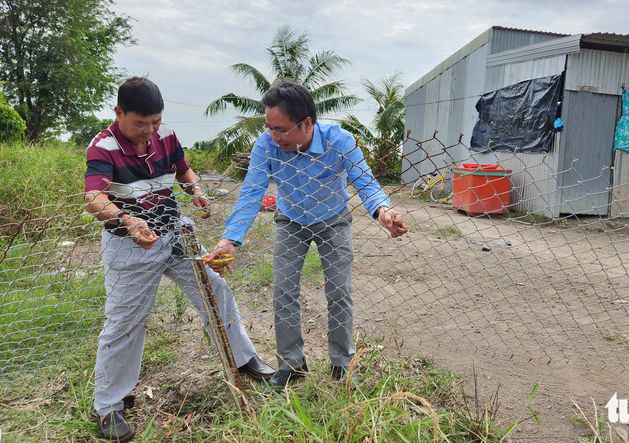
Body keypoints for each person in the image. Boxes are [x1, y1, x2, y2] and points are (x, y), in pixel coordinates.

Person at [84, 77, 274, 442]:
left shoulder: (165, 134)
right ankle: (110, 406)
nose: (149, 131)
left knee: (217, 293)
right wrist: (127, 220)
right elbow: (95, 198)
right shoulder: (103, 147)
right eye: (140, 123)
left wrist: (196, 191)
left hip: (175, 234)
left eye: (155, 121)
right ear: (118, 112)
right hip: (131, 245)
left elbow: (183, 170)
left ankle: (244, 361)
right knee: (125, 321)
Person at [209, 81, 407, 390]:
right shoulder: (267, 145)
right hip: (291, 220)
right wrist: (229, 239)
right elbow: (251, 193)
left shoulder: (339, 141)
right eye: (270, 128)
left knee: (339, 292)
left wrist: (383, 210)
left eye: (282, 130)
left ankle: (342, 364)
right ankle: (292, 364)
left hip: (333, 220)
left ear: (307, 124)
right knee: (283, 290)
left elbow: (365, 182)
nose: (275, 137)